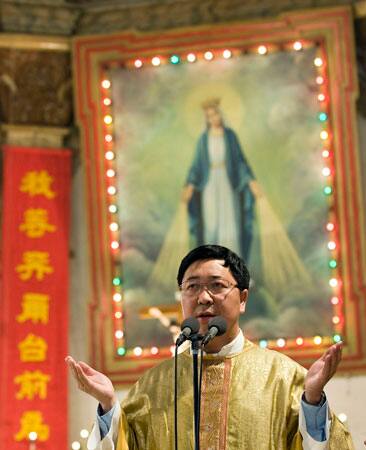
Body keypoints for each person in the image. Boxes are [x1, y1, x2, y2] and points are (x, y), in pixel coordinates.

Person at [66, 245, 354, 449]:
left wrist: (314, 402)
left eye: (216, 285)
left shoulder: (285, 378)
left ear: (242, 298)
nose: (203, 297)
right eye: (191, 287)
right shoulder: (153, 385)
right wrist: (107, 406)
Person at [181, 99, 261, 261]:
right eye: (209, 116)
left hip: (227, 183)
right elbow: (196, 166)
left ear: (220, 114)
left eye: (215, 114)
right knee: (211, 224)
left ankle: (234, 268)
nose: (213, 119)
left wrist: (251, 181)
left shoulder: (230, 136)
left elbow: (240, 161)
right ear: (207, 119)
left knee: (230, 222)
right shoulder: (203, 139)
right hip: (209, 185)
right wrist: (190, 185)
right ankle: (213, 267)